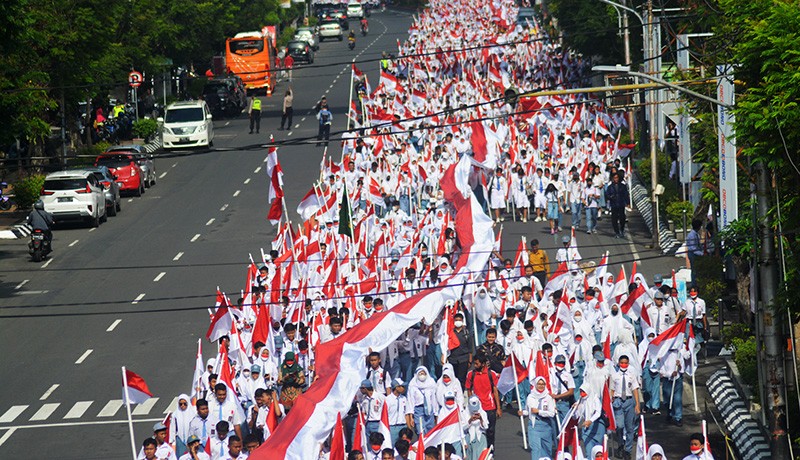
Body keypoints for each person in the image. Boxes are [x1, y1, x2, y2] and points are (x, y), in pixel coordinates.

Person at [465, 354, 501, 448]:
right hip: (477, 408)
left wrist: (498, 408)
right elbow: (469, 389)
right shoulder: (471, 374)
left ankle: (490, 451)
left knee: (490, 431)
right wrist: (471, 404)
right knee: (478, 430)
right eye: (474, 363)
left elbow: (495, 391)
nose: (475, 365)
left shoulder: (491, 374)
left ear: (483, 364)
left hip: (489, 407)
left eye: (477, 364)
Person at [610, 355, 640, 460]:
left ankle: (628, 450)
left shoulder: (631, 375)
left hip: (629, 401)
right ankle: (620, 445)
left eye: (625, 363)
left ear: (628, 364)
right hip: (618, 402)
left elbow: (635, 390)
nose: (623, 365)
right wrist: (611, 401)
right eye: (622, 363)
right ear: (619, 363)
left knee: (630, 427)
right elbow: (612, 390)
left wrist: (637, 404)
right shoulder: (614, 376)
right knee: (619, 426)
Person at [520, 376, 557, 460]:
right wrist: (523, 413)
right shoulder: (530, 397)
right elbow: (528, 411)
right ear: (535, 385)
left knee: (546, 449)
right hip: (534, 425)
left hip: (546, 425)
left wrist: (539, 411)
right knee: (535, 448)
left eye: (543, 384)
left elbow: (551, 413)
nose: (541, 386)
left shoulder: (549, 397)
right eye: (539, 384)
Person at [605, 172, 630, 238]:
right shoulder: (610, 187)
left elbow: (626, 194)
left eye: (617, 178)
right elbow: (607, 195)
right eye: (614, 178)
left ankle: (622, 229)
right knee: (614, 219)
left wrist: (628, 203)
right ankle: (617, 232)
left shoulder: (622, 186)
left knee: (622, 218)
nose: (616, 179)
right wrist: (611, 197)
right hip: (614, 204)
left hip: (621, 204)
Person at [464, 395, 488, 460]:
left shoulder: (483, 413)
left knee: (481, 456)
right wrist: (470, 420)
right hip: (469, 438)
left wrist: (481, 419)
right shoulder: (465, 413)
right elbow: (463, 428)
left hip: (480, 438)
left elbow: (486, 427)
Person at [685, 219, 704, 287]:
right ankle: (694, 285)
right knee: (694, 270)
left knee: (696, 270)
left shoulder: (696, 234)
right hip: (693, 254)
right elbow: (693, 248)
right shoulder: (692, 235)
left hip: (695, 253)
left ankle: (696, 283)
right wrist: (701, 253)